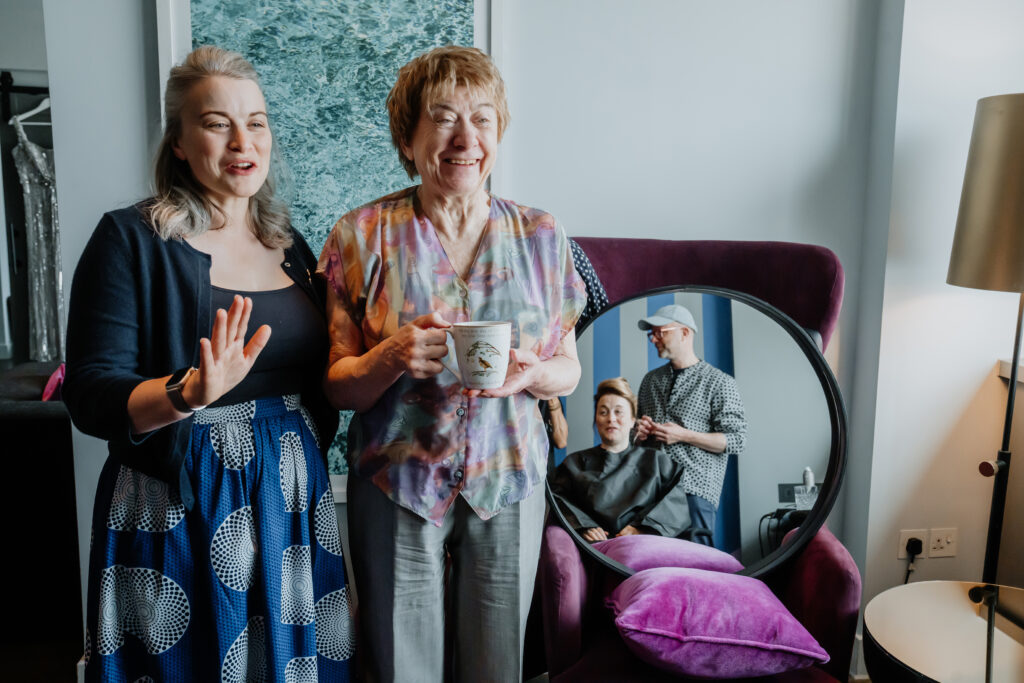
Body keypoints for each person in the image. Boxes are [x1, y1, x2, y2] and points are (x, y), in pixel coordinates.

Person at [63, 46, 352, 681]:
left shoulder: (291, 245)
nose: (242, 140)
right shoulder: (130, 241)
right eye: (217, 123)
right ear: (180, 143)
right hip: (176, 498)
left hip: (290, 496)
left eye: (257, 121)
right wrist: (184, 394)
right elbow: (89, 392)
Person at [318, 45, 586, 682]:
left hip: (510, 481)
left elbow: (568, 368)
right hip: (397, 486)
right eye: (442, 117)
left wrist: (534, 374)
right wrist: (390, 356)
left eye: (483, 119)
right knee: (400, 667)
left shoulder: (542, 235)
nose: (466, 137)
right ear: (408, 138)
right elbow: (336, 386)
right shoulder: (360, 235)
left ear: (500, 132)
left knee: (497, 668)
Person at [636, 304, 746, 544]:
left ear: (684, 333)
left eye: (660, 332)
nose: (653, 339)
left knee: (697, 564)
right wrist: (639, 433)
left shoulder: (720, 382)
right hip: (650, 491)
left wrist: (684, 435)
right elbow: (636, 441)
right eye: (650, 333)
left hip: (695, 491)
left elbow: (737, 440)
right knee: (653, 562)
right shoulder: (649, 381)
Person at [551, 377, 691, 542]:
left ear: (633, 420)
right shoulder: (574, 463)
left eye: (618, 411)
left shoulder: (658, 463)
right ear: (596, 419)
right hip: (591, 548)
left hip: (643, 545)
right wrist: (583, 526)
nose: (611, 419)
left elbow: (675, 507)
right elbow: (557, 499)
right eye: (603, 412)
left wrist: (641, 528)